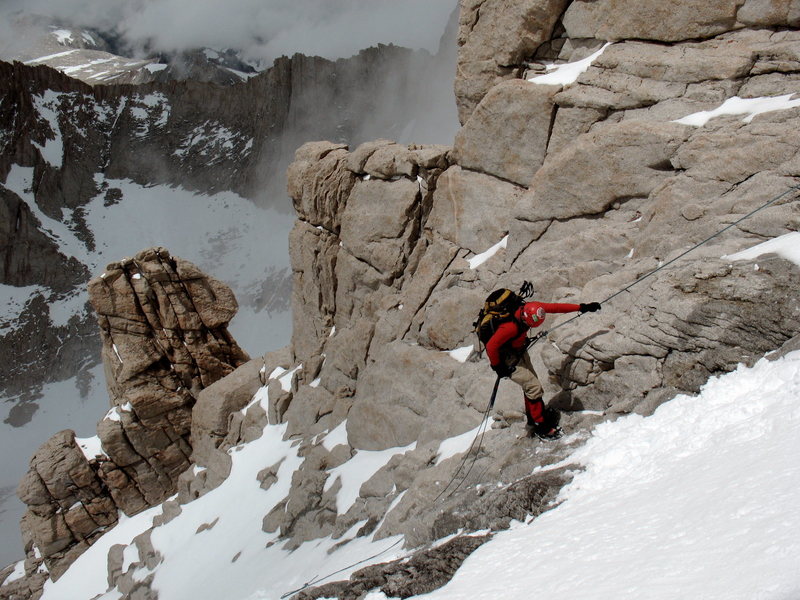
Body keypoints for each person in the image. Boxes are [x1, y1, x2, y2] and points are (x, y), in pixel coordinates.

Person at [486, 299, 601, 439]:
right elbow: (491, 347)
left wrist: (582, 306)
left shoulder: (533, 308)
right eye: (528, 324)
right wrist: (498, 367)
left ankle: (533, 418)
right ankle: (541, 427)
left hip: (519, 350)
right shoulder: (509, 327)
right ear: (524, 317)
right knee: (533, 387)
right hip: (507, 359)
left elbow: (555, 307)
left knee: (531, 386)